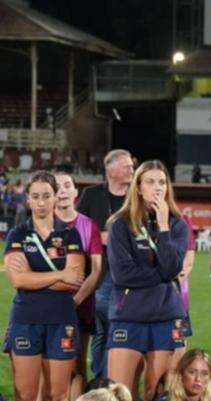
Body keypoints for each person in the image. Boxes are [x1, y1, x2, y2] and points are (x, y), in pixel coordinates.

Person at [2, 171, 84, 401]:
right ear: (27, 200)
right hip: (26, 320)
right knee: (24, 395)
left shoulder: (70, 234)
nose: (41, 202)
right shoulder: (17, 234)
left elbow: (75, 279)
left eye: (46, 196)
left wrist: (34, 279)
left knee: (58, 397)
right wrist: (57, 276)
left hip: (61, 320)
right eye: (35, 197)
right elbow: (17, 280)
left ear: (55, 197)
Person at [105, 161, 191, 401]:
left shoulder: (177, 225)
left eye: (162, 182)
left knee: (157, 394)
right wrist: (162, 274)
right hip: (129, 315)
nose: (157, 188)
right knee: (120, 396)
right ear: (138, 188)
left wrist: (163, 226)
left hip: (166, 315)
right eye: (150, 182)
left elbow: (173, 267)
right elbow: (122, 275)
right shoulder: (120, 224)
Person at [78, 149, 134, 382]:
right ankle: (104, 379)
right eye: (127, 166)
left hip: (128, 275)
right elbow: (79, 228)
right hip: (98, 273)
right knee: (102, 330)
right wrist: (98, 237)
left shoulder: (136, 196)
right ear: (111, 170)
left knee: (115, 327)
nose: (132, 169)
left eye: (132, 166)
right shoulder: (92, 195)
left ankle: (109, 379)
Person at [54, 170, 104, 401]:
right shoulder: (40, 224)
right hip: (46, 304)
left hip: (80, 303)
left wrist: (73, 302)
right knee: (45, 361)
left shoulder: (88, 225)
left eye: (67, 185)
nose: (62, 190)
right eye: (57, 186)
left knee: (77, 361)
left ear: (75, 192)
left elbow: (95, 271)